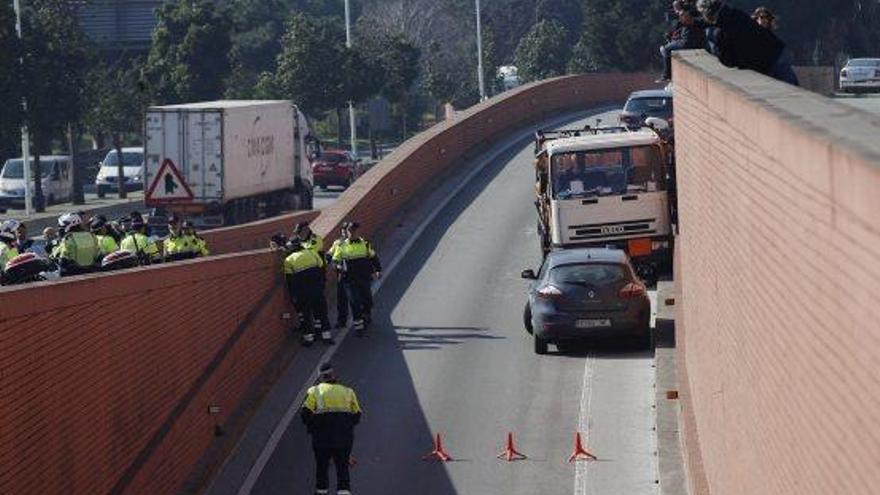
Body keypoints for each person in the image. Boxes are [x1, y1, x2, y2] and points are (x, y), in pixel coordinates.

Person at [696, 0, 799, 86]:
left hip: (764, 64)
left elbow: (727, 61)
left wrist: (713, 41)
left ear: (707, 15)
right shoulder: (736, 13)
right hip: (776, 50)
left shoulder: (720, 33)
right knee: (795, 91)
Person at [301, 362, 362, 495]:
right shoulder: (348, 392)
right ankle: (344, 492)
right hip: (344, 439)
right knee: (342, 469)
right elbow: (357, 415)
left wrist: (314, 427)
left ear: (320, 378)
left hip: (321, 440)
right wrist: (344, 427)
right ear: (334, 375)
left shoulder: (314, 392)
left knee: (322, 468)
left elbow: (304, 415)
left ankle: (322, 491)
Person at [331, 222, 381, 335]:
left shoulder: (365, 244)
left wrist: (378, 270)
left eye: (354, 231)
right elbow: (334, 260)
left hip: (364, 278)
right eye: (350, 231)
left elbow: (373, 257)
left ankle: (366, 315)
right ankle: (358, 327)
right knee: (355, 301)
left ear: (359, 231)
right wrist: (338, 266)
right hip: (349, 280)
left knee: (367, 300)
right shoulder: (341, 245)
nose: (352, 233)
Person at [283, 238, 333, 345]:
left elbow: (289, 280)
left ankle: (309, 339)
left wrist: (293, 296)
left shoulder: (288, 260)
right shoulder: (312, 252)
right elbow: (321, 266)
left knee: (305, 315)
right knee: (321, 313)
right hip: (317, 289)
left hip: (303, 293)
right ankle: (326, 336)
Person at [658, 3, 706, 82]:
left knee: (665, 49)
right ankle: (666, 74)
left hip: (686, 42)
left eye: (676, 8)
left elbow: (682, 26)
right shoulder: (687, 14)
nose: (675, 11)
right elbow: (678, 30)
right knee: (668, 46)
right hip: (689, 41)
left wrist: (685, 19)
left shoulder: (686, 14)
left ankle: (666, 75)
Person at [327, 224, 352, 329]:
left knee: (357, 298)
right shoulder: (337, 243)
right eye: (343, 230)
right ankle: (342, 321)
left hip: (355, 275)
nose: (344, 233)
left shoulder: (358, 242)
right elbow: (329, 255)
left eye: (346, 230)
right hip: (342, 275)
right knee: (342, 299)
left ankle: (363, 318)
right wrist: (334, 264)